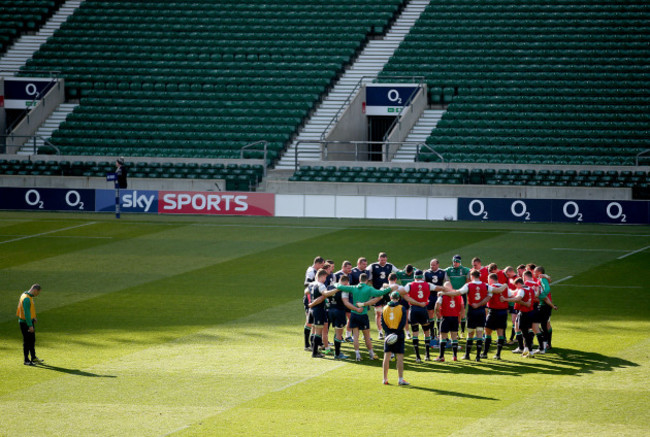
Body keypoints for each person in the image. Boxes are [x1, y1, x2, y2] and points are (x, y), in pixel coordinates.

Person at [440, 270, 506, 361]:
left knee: (470, 333)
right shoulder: (486, 285)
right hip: (481, 311)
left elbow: (457, 293)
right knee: (479, 333)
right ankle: (478, 357)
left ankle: (467, 355)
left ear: (472, 276)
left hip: (472, 312)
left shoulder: (468, 285)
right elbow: (498, 290)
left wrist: (444, 293)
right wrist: (506, 284)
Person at [336, 273, 392, 361]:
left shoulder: (353, 288)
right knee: (367, 336)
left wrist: (336, 283)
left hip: (354, 314)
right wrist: (391, 287)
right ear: (366, 281)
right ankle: (371, 354)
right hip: (363, 315)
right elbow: (381, 293)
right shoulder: (369, 289)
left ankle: (358, 355)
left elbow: (339, 286)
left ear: (359, 280)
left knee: (355, 336)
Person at [400, 270, 436, 363]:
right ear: (422, 277)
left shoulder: (410, 285)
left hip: (413, 311)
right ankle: (427, 355)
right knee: (426, 332)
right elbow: (438, 288)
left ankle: (418, 357)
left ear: (415, 277)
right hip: (423, 310)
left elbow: (402, 293)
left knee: (415, 333)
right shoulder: (427, 285)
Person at [307, 269, 341, 358]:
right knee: (318, 332)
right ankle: (315, 353)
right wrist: (337, 290)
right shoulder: (321, 285)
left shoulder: (311, 284)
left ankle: (314, 349)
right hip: (318, 310)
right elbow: (325, 294)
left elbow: (306, 292)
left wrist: (311, 302)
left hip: (311, 311)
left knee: (314, 331)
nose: (325, 279)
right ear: (321, 276)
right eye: (325, 277)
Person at [501, 277, 536, 357]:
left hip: (524, 313)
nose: (516, 288)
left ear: (518, 284)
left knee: (525, 334)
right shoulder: (530, 289)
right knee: (528, 332)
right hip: (531, 312)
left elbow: (518, 299)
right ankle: (526, 349)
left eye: (516, 286)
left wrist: (505, 299)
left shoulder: (521, 290)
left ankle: (530, 352)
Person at [381, 291, 410, 386]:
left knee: (386, 356)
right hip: (399, 334)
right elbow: (402, 322)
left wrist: (389, 333)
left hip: (388, 334)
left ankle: (385, 379)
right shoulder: (402, 308)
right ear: (399, 298)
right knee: (400, 357)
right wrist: (396, 333)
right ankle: (400, 379)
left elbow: (383, 323)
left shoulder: (384, 308)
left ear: (390, 298)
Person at [367, 252, 398, 339]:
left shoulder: (390, 266)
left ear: (386, 259)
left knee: (387, 312)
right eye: (381, 260)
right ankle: (380, 332)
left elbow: (398, 272)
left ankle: (387, 331)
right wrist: (370, 282)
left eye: (384, 260)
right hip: (376, 292)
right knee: (378, 312)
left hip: (386, 293)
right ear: (378, 259)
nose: (383, 262)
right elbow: (365, 273)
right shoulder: (372, 266)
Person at [434, 281, 464, 362]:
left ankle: (441, 356)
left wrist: (438, 312)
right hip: (455, 318)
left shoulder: (442, 296)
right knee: (454, 337)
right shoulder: (458, 295)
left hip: (446, 318)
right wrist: (460, 317)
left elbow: (437, 304)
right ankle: (454, 356)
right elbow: (462, 306)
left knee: (443, 337)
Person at [17, 284, 44, 366]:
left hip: (29, 321)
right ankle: (26, 360)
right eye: (38, 293)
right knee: (27, 341)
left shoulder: (26, 295)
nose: (37, 295)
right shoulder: (26, 299)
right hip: (25, 323)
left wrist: (34, 317)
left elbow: (30, 309)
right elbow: (27, 313)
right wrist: (30, 325)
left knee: (32, 340)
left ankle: (33, 357)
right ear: (35, 290)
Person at [424, 259, 449, 347]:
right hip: (430, 296)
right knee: (430, 313)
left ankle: (440, 333)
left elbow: (447, 283)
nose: (432, 266)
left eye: (434, 265)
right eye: (431, 265)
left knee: (439, 313)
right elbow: (423, 284)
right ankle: (432, 333)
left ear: (438, 265)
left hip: (439, 295)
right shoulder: (426, 273)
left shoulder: (442, 272)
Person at [445, 255, 470, 337]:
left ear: (459, 262)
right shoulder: (449, 270)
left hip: (462, 294)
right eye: (453, 262)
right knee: (454, 313)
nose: (454, 263)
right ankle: (456, 331)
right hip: (452, 295)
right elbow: (441, 272)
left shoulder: (465, 270)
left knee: (462, 313)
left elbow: (471, 276)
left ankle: (462, 331)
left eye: (456, 262)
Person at [534, 266, 557, 353]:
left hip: (545, 305)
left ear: (539, 272)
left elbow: (547, 289)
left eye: (535, 272)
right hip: (544, 305)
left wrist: (540, 297)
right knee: (542, 325)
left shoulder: (542, 279)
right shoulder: (542, 278)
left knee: (540, 325)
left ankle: (545, 345)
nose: (534, 273)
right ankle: (546, 344)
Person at [328, 275, 352, 360]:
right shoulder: (344, 289)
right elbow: (346, 302)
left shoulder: (330, 286)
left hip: (330, 311)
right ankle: (337, 354)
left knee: (336, 331)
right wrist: (355, 308)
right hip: (339, 312)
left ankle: (335, 352)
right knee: (339, 333)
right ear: (346, 282)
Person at [303, 256, 324, 351]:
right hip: (310, 299)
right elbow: (307, 284)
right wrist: (310, 300)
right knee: (309, 322)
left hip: (312, 299)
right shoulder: (311, 271)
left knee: (314, 323)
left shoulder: (314, 271)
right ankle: (307, 345)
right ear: (317, 264)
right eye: (322, 265)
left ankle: (314, 343)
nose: (322, 267)